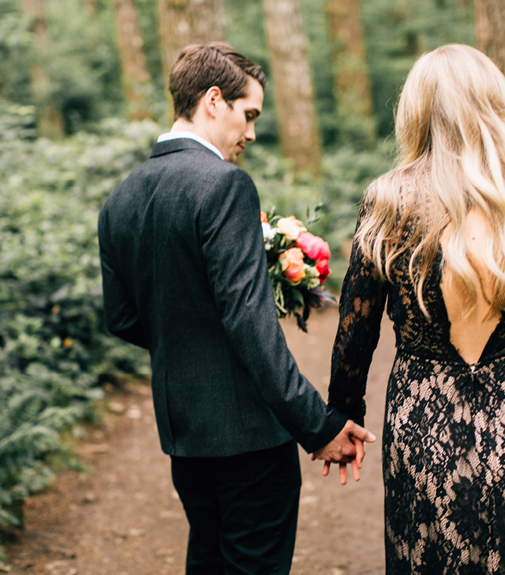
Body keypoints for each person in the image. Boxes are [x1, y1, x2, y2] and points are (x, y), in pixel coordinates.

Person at [97, 42, 375, 575]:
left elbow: (123, 319)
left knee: (208, 558)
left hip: (184, 435)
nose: (250, 133)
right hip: (247, 437)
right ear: (214, 100)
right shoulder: (225, 186)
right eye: (249, 115)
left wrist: (190, 349)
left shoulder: (120, 200)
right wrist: (317, 427)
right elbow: (249, 324)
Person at [325, 44, 505, 575]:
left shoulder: (389, 199)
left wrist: (344, 414)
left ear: (415, 111)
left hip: (424, 423)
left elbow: (356, 332)